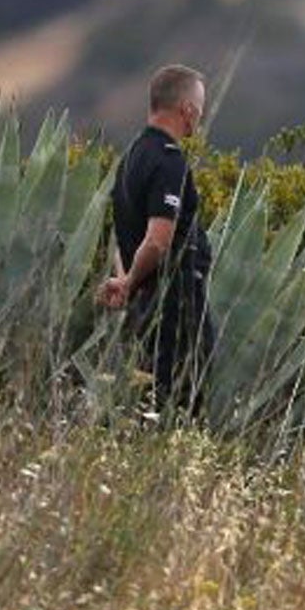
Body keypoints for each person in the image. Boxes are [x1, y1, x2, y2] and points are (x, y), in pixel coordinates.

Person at [97, 64, 217, 417]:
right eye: (200, 108)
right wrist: (131, 280)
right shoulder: (169, 162)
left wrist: (126, 282)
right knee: (183, 394)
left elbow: (123, 233)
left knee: (152, 390)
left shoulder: (132, 155)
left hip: (145, 302)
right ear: (187, 110)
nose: (200, 116)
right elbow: (157, 241)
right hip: (175, 301)